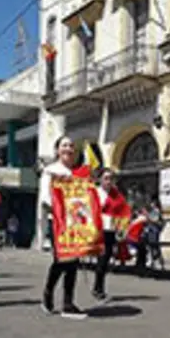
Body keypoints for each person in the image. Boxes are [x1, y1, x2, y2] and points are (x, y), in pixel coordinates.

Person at [38, 136, 87, 320]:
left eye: (71, 145)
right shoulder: (50, 171)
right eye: (64, 145)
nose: (68, 148)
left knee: (73, 262)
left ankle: (68, 302)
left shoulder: (77, 173)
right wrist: (60, 209)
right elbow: (45, 197)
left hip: (75, 222)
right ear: (57, 150)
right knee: (61, 260)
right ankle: (48, 292)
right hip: (58, 221)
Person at [93, 168, 128, 302]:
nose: (109, 181)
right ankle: (98, 289)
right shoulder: (95, 193)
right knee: (101, 260)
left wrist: (120, 228)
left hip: (110, 230)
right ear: (100, 179)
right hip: (98, 230)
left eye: (111, 179)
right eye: (106, 178)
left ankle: (98, 287)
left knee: (105, 260)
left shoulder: (116, 195)